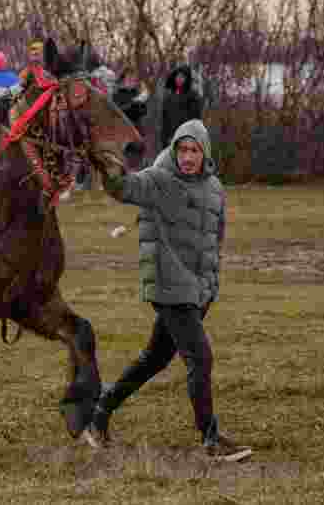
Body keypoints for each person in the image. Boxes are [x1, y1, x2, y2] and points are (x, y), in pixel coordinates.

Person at [84, 119, 251, 462]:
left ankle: (99, 413)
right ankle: (211, 438)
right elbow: (124, 188)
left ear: (205, 153)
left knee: (155, 358)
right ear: (174, 151)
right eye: (182, 150)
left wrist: (208, 285)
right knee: (200, 358)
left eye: (194, 150)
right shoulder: (159, 180)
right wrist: (109, 167)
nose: (188, 157)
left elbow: (213, 239)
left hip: (196, 290)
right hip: (168, 285)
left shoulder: (215, 187)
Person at [146, 65, 204, 155]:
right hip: (170, 139)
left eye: (182, 76)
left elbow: (196, 119)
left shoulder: (192, 97)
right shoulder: (168, 98)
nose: (179, 79)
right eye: (177, 76)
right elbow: (164, 120)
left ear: (187, 78)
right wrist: (164, 139)